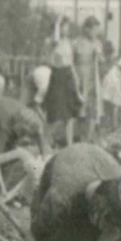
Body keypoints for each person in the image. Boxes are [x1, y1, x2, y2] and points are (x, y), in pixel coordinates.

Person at [43, 17, 83, 146]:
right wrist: (58, 22)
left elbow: (71, 64)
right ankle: (45, 142)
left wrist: (77, 85)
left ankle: (69, 144)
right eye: (63, 26)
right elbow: (55, 40)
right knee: (55, 115)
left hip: (68, 76)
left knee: (69, 115)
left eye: (67, 26)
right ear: (58, 28)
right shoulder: (51, 41)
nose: (67, 29)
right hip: (57, 76)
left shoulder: (68, 42)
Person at [73, 16, 104, 141]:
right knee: (79, 109)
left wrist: (98, 54)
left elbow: (101, 61)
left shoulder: (97, 43)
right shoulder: (76, 43)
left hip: (92, 80)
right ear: (86, 29)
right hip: (79, 78)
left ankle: (88, 138)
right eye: (94, 30)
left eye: (97, 31)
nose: (96, 33)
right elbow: (72, 61)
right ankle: (78, 137)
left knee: (92, 109)